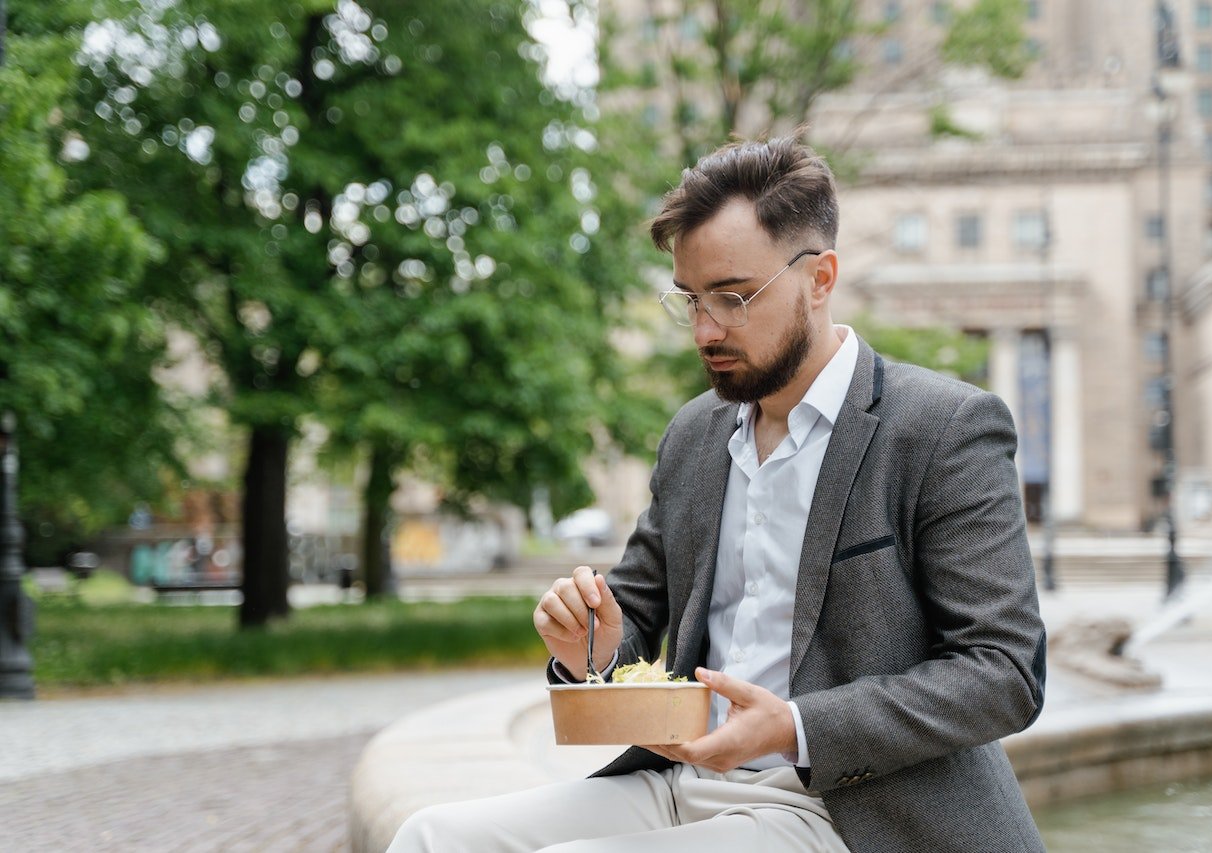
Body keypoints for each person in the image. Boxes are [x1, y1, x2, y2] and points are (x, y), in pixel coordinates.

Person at [388, 135, 1048, 852]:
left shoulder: (943, 428)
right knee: (430, 836)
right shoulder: (695, 436)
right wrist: (592, 647)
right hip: (680, 783)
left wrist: (796, 726)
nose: (706, 330)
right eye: (690, 300)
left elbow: (1004, 670)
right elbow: (630, 620)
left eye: (733, 297)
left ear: (820, 278)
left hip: (847, 808)